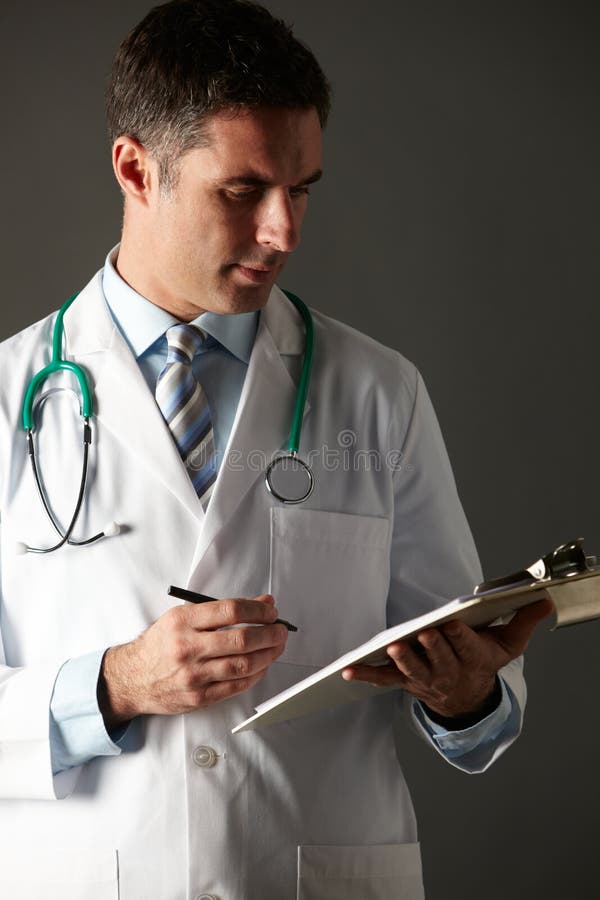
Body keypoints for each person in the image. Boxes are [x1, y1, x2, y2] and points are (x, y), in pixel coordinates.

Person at [0, 1, 552, 898]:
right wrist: (115, 685)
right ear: (136, 170)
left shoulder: (379, 392)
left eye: (302, 190)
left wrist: (469, 698)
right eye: (243, 191)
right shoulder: (4, 398)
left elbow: (480, 698)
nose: (284, 232)